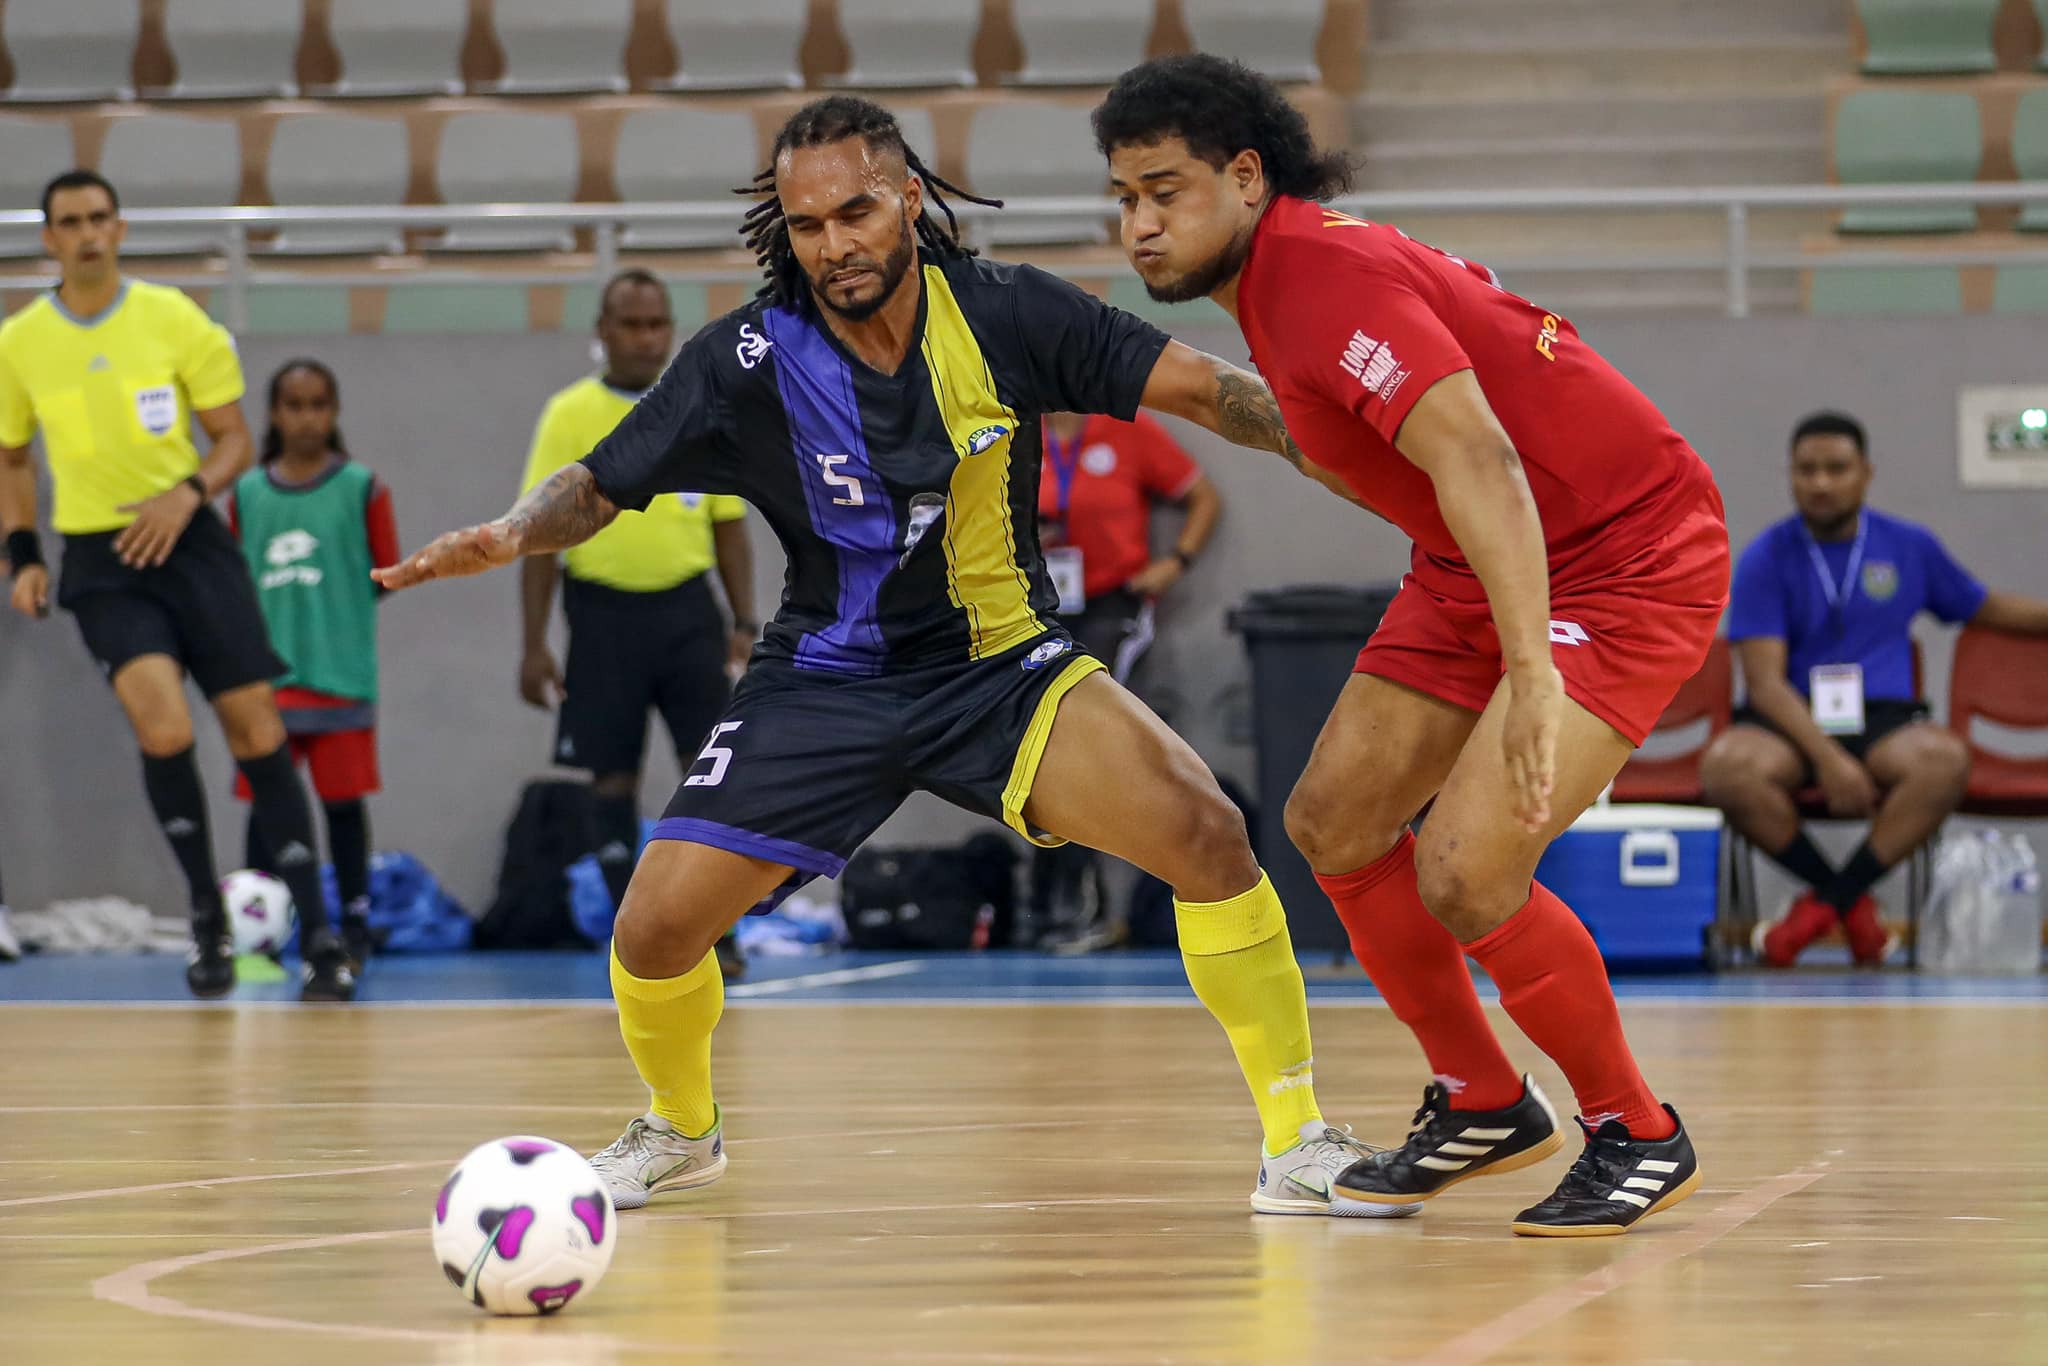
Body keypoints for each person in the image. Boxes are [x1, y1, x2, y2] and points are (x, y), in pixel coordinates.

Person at [380, 95, 1403, 1219]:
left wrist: (1377, 451)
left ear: (908, 198)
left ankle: (1296, 1137)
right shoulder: (745, 359)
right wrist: (514, 533)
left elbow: (1213, 393)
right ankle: (679, 1127)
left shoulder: (1007, 314)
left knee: (1208, 833)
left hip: (1002, 670)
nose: (835, 244)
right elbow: (601, 481)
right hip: (823, 681)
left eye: (856, 211)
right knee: (653, 927)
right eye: (808, 224)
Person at [1093, 56, 1729, 1236]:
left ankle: (1634, 1125)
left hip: (1625, 555)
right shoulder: (1274, 288)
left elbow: (1480, 459)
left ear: (1244, 177)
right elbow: (1327, 437)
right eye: (1122, 197)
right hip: (1472, 559)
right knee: (1331, 820)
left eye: (1163, 191)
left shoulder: (1321, 273)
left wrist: (1532, 669)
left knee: (1467, 870)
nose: (1137, 224)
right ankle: (1484, 1099)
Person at [0, 170, 354, 1002]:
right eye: (69, 223)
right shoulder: (20, 343)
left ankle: (320, 935)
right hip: (101, 559)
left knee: (256, 730)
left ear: (120, 229)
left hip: (191, 544)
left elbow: (232, 439)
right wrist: (24, 553)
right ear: (48, 239)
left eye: (99, 219)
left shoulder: (172, 318)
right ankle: (207, 923)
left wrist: (188, 492)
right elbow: (13, 459)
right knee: (162, 730)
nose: (87, 234)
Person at [1701, 410, 2048, 968]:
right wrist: (1830, 759)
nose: (1820, 483)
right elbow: (1764, 684)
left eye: (1836, 468)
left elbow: (1985, 606)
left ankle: (1826, 903)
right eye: (1806, 470)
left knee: (1942, 761)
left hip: (1882, 716)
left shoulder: (1909, 546)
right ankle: (1849, 903)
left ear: (1865, 472)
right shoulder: (1766, 556)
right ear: (1790, 475)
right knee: (1726, 768)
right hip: (1791, 719)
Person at [520, 269, 757, 979]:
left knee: (709, 779)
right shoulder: (568, 414)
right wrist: (533, 644)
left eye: (657, 324)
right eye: (631, 324)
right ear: (601, 331)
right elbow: (535, 538)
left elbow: (731, 527)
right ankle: (642, 942)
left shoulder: (701, 406)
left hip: (689, 615)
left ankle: (718, 935)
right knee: (611, 783)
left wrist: (742, 620)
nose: (646, 337)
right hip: (601, 617)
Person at [224, 359, 400, 973]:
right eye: (294, 405)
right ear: (273, 414)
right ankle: (257, 933)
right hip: (265, 687)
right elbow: (233, 585)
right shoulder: (246, 494)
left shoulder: (363, 488)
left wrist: (328, 614)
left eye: (319, 404)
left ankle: (351, 924)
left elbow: (384, 576)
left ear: (335, 412)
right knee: (265, 811)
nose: (307, 417)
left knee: (342, 806)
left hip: (338, 678)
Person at [1032, 409, 1220, 950]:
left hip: (1112, 605)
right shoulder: (1016, 432)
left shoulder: (1127, 432)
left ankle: (1089, 906)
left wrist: (1175, 562)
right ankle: (1054, 902)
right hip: (1040, 604)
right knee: (1039, 745)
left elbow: (1204, 497)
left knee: (1079, 739)